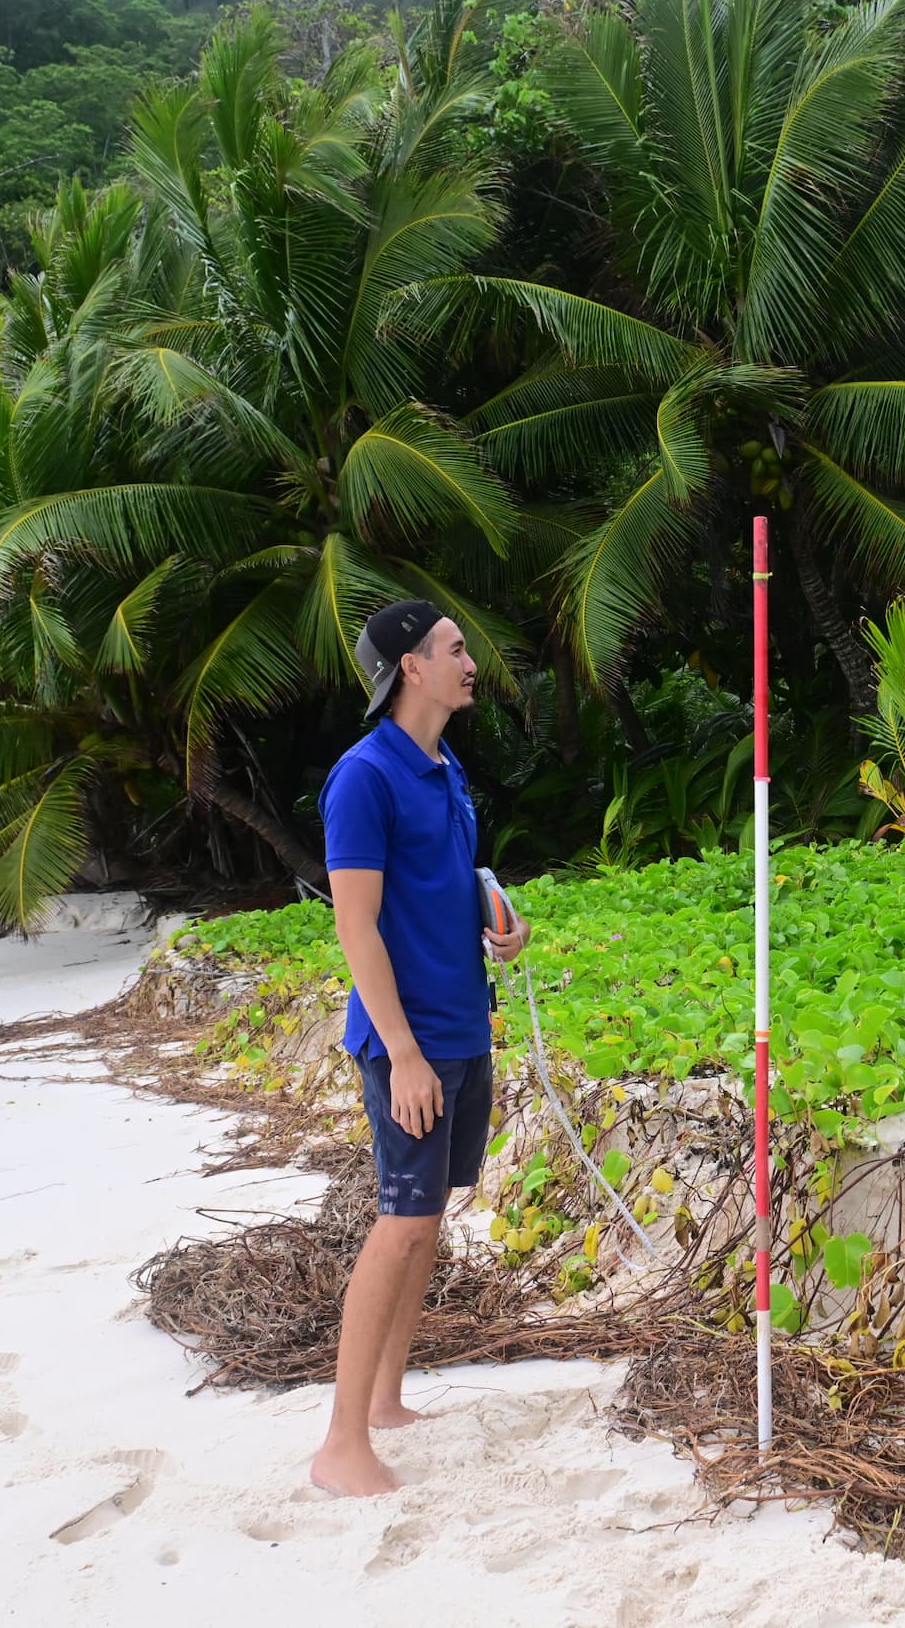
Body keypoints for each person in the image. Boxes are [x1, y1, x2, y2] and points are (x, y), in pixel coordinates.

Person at [308, 599, 529, 1497]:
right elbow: (356, 928)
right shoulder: (363, 777)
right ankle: (340, 1446)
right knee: (399, 1225)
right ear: (411, 666)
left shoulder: (445, 770)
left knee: (429, 1216)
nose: (470, 660)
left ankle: (389, 1401)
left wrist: (498, 920)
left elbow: (448, 880)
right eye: (454, 648)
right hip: (410, 1042)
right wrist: (399, 1052)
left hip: (460, 1024)